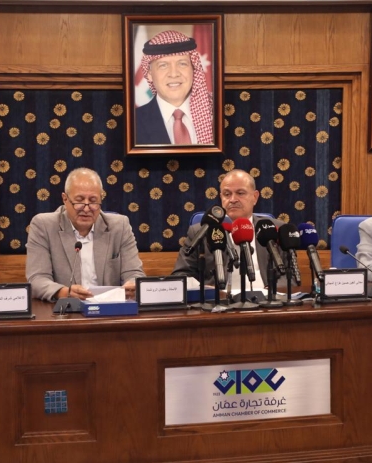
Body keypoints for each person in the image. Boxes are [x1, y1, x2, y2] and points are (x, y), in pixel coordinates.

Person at [25, 167, 145, 301]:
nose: (87, 208)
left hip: (109, 308)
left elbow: (134, 273)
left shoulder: (119, 226)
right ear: (65, 199)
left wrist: (132, 285)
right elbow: (37, 279)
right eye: (79, 200)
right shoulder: (44, 226)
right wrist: (65, 292)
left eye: (93, 201)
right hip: (66, 308)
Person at [172, 169, 282, 287]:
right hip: (218, 297)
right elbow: (181, 275)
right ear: (221, 197)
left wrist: (272, 291)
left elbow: (289, 276)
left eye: (240, 193)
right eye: (227, 194)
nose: (233, 199)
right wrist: (207, 291)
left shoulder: (275, 229)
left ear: (255, 197)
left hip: (266, 296)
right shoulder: (199, 232)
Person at [135, 30, 213, 146]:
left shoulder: (218, 114)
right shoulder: (131, 123)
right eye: (163, 65)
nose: (174, 74)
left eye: (182, 64)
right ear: (149, 74)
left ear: (194, 69)